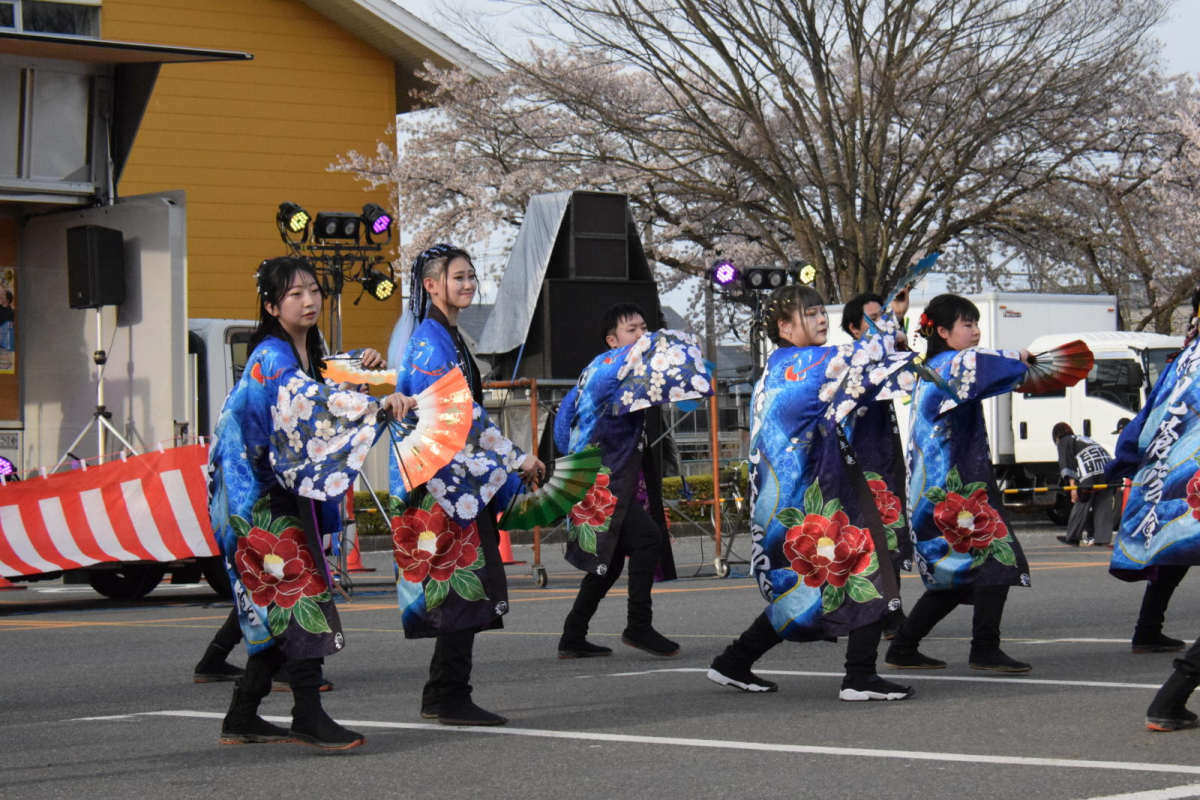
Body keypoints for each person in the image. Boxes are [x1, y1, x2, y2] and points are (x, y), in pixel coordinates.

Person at [208, 256, 415, 749]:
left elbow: (324, 385)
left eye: (313, 291)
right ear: (271, 305)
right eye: (294, 293)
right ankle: (307, 713)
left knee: (281, 603)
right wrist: (373, 403)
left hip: (276, 489)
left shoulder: (307, 352)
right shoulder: (271, 356)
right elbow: (309, 402)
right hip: (252, 495)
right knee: (300, 595)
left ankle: (242, 714)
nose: (308, 300)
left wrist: (360, 367)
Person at [708, 284, 918, 701]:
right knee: (863, 567)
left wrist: (890, 340)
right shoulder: (801, 364)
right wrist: (891, 320)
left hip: (800, 492)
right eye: (811, 313)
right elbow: (861, 358)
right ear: (785, 327)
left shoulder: (786, 363)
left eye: (822, 311)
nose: (822, 318)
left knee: (832, 581)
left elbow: (869, 370)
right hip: (805, 496)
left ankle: (735, 660)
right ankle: (858, 677)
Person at [386, 244, 544, 727]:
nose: (468, 284)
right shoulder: (432, 339)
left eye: (471, 276)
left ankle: (441, 693)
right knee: (462, 585)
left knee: (462, 586)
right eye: (458, 277)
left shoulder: (445, 334)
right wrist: (517, 457)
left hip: (451, 481)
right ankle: (451, 697)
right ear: (431, 285)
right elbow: (460, 414)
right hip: (440, 486)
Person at [885, 294, 1034, 674]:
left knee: (954, 577)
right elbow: (983, 363)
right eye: (967, 324)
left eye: (975, 323)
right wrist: (1020, 356)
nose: (976, 331)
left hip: (942, 490)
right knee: (998, 559)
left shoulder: (933, 366)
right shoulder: (952, 364)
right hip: (954, 491)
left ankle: (904, 646)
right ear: (942, 331)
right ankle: (984, 648)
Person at [555, 304, 711, 659]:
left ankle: (572, 635)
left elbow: (563, 423)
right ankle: (638, 625)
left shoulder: (597, 369)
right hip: (600, 483)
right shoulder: (613, 367)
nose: (642, 336)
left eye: (644, 328)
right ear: (612, 341)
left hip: (594, 479)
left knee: (607, 563)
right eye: (632, 331)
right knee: (646, 538)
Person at [1104, 293, 1200, 730]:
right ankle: (1168, 699)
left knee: (1170, 559)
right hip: (1186, 487)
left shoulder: (1186, 359)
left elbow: (1150, 418)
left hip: (1181, 489)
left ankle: (1168, 696)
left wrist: (1126, 458)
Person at [841, 288, 913, 639]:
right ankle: (882, 615)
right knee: (873, 539)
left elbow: (909, 364)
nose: (882, 323)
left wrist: (897, 319)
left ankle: (890, 613)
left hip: (884, 461)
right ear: (855, 329)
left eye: (883, 317)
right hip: (859, 464)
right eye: (874, 318)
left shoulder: (882, 357)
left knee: (891, 535)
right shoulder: (851, 360)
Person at [1051, 422, 1115, 547]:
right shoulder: (1083, 439)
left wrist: (1073, 488)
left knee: (1082, 501)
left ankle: (1073, 537)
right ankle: (1103, 539)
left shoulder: (1064, 441)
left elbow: (1067, 464)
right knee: (1104, 503)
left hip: (1089, 469)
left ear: (1056, 437)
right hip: (1107, 469)